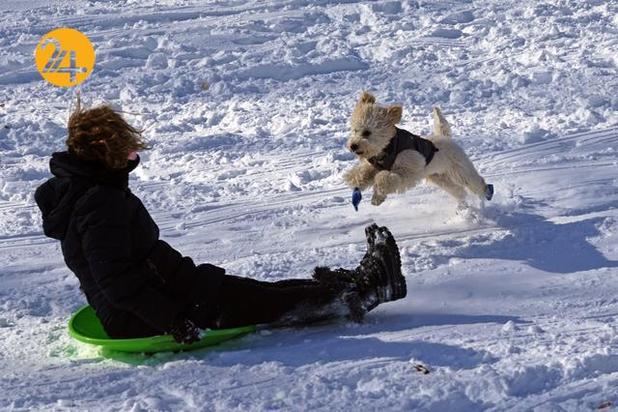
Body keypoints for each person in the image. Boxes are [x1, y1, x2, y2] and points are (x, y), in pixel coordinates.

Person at [34, 102, 407, 344]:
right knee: (265, 305)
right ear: (107, 156)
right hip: (149, 314)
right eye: (128, 152)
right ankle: (368, 291)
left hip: (172, 287)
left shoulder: (89, 190)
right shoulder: (99, 203)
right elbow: (116, 281)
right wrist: (172, 320)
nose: (133, 159)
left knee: (261, 292)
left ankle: (354, 282)